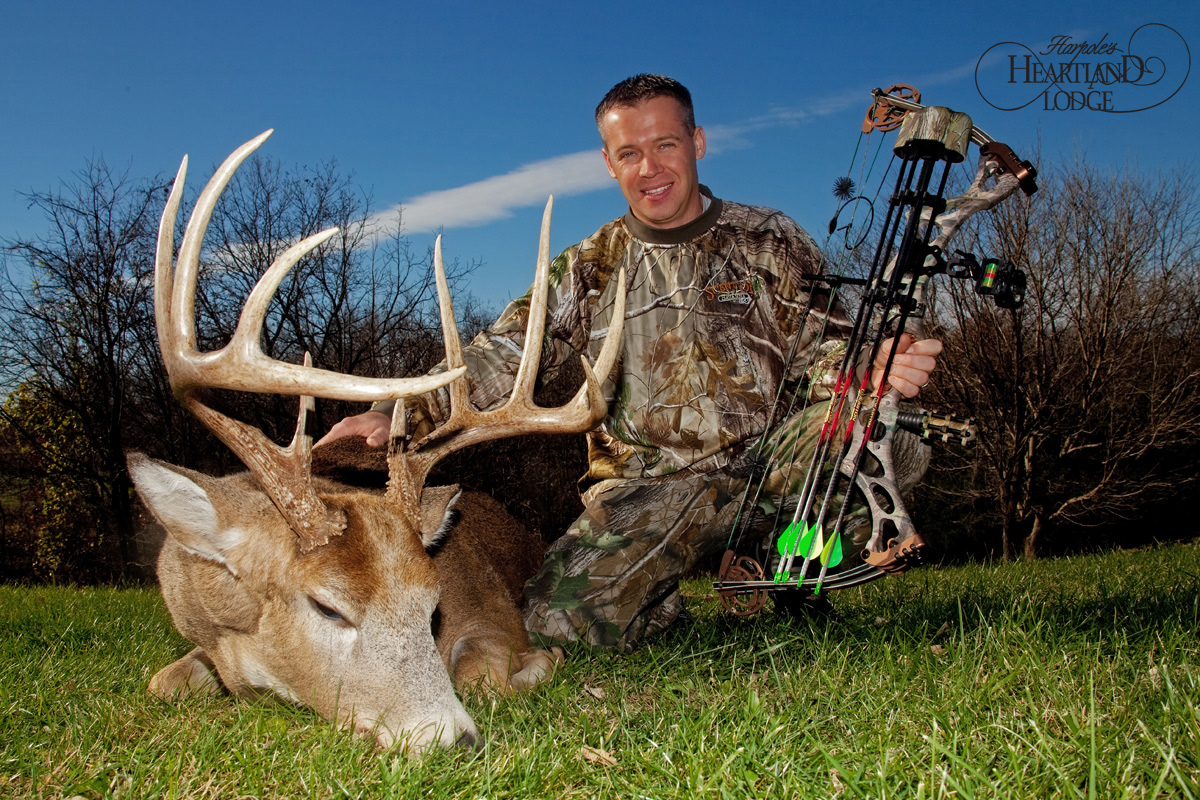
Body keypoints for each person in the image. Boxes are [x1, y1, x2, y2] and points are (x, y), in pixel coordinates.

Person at [319, 74, 940, 651]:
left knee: (885, 438)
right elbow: (503, 352)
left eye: (665, 144)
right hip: (645, 493)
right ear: (608, 161)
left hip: (765, 475)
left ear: (697, 142)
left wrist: (873, 368)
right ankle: (657, 593)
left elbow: (832, 346)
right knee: (553, 628)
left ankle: (774, 563)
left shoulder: (771, 240)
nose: (651, 169)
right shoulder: (590, 265)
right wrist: (394, 414)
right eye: (629, 153)